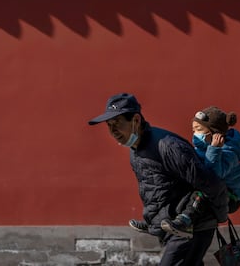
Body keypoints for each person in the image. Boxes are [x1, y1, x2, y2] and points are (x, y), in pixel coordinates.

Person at [88, 93, 229, 266]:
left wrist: (220, 215)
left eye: (117, 124)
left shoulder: (167, 146)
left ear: (136, 120)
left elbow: (210, 183)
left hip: (190, 228)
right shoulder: (135, 150)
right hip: (172, 229)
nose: (113, 131)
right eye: (109, 126)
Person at [160, 106, 240, 238]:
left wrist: (215, 149)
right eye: (194, 130)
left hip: (232, 196)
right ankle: (157, 222)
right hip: (216, 187)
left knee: (201, 193)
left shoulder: (229, 153)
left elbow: (214, 175)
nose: (196, 134)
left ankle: (185, 221)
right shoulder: (202, 148)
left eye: (199, 130)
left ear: (215, 134)